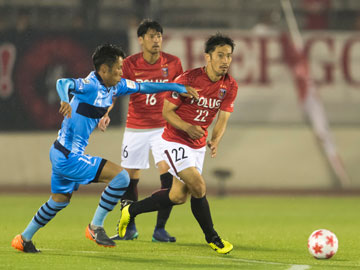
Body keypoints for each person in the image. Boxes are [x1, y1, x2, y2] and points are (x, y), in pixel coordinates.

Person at [11, 43, 198, 253]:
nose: (121, 72)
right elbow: (63, 82)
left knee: (59, 201)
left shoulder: (115, 86)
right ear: (103, 70)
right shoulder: (90, 85)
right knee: (121, 177)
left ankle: (23, 238)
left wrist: (175, 87)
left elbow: (143, 87)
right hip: (68, 156)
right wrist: (64, 100)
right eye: (117, 68)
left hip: (60, 152)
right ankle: (95, 226)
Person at [116, 33, 238, 254]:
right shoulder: (187, 80)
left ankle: (130, 211)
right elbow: (167, 113)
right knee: (199, 186)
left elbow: (223, 118)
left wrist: (215, 140)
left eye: (229, 56)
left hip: (197, 146)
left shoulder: (229, 85)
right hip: (174, 141)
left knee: (177, 196)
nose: (225, 61)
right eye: (220, 55)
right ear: (208, 57)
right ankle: (213, 238)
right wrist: (188, 127)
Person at [99, 19, 183, 242]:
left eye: (159, 36)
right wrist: (106, 112)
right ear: (140, 40)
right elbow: (113, 91)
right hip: (136, 128)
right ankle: (129, 227)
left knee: (169, 176)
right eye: (151, 36)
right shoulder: (128, 64)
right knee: (128, 178)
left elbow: (179, 95)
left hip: (164, 129)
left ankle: (160, 229)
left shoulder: (173, 63)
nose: (156, 40)